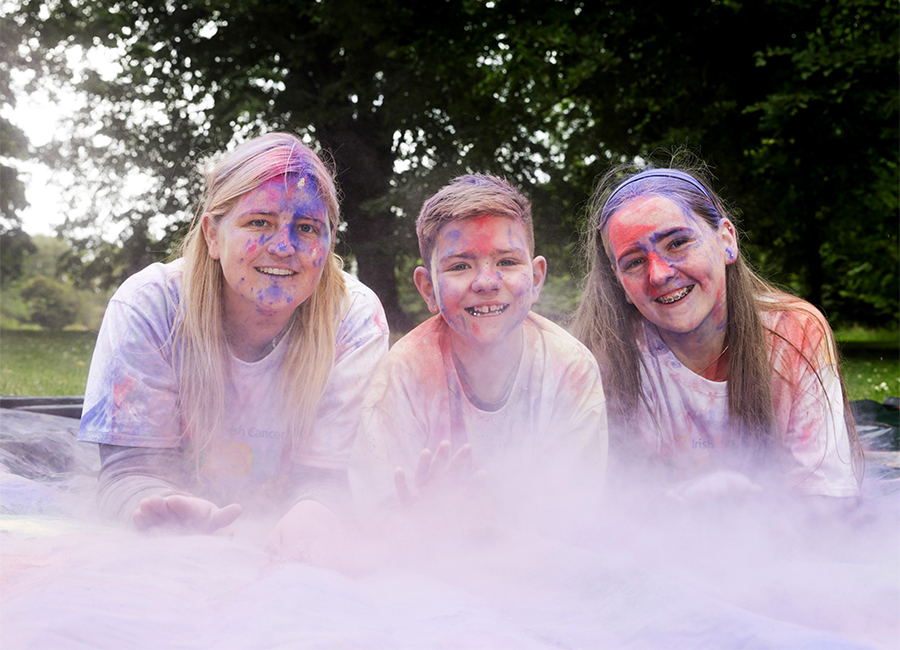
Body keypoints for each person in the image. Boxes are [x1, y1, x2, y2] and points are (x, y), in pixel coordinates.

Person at [78, 133, 389, 548]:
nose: (283, 247)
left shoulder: (354, 319)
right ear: (212, 234)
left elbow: (329, 480)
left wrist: (317, 513)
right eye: (259, 222)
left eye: (307, 228)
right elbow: (127, 471)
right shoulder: (149, 305)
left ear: (330, 240)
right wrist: (160, 508)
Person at [571, 161, 862, 499]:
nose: (659, 274)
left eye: (677, 242)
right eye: (634, 262)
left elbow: (826, 498)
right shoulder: (603, 356)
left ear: (726, 240)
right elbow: (591, 509)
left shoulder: (792, 332)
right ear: (619, 282)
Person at [349, 174, 608, 531]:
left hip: (542, 567)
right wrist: (418, 523)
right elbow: (375, 514)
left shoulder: (571, 370)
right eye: (459, 266)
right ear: (428, 288)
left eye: (506, 262)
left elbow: (575, 517)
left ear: (535, 279)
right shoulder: (405, 373)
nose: (486, 282)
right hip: (427, 566)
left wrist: (487, 527)